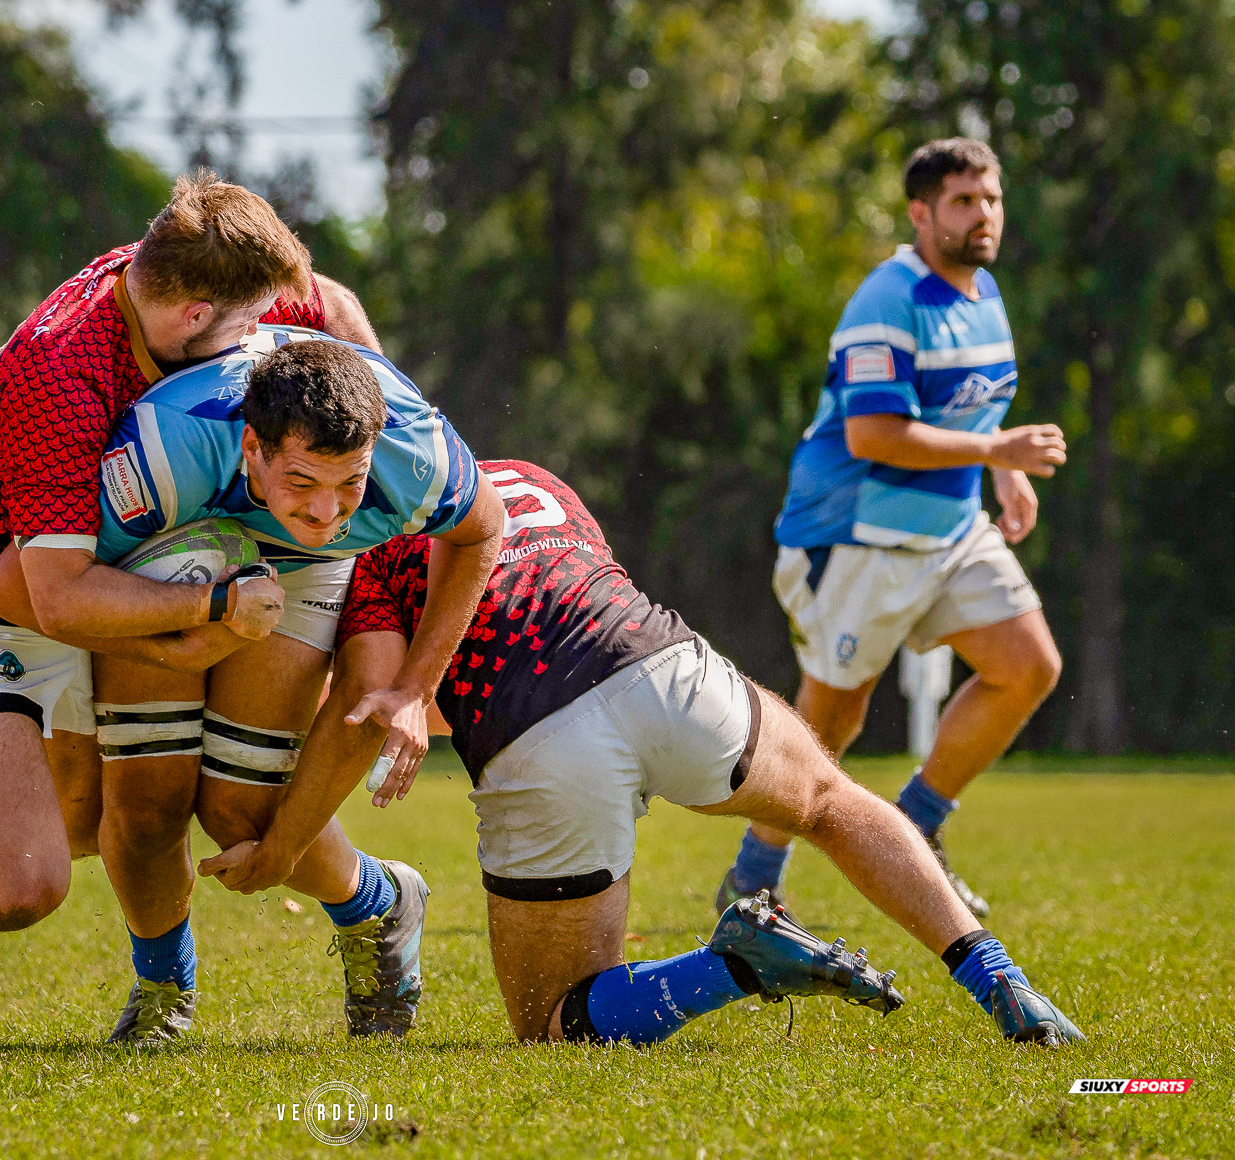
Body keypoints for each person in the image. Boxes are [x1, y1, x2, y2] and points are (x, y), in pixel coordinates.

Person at [0, 174, 378, 1057]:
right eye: (247, 323)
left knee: (108, 825)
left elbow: (331, 305)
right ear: (190, 316)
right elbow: (50, 598)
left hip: (91, 587)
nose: (260, 341)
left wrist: (373, 389)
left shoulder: (171, 275)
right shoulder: (60, 374)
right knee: (24, 884)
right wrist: (213, 608)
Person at [200, 459, 1083, 1049]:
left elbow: (373, 710)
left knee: (552, 1022)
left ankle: (732, 963)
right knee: (828, 801)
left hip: (538, 736)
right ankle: (1001, 982)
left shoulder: (374, 542)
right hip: (661, 667)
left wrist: (281, 848)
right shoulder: (533, 479)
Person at [0, 333, 501, 1044]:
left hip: (301, 572)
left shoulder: (417, 457)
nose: (327, 513)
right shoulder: (167, 451)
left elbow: (484, 529)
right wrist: (199, 627)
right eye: (301, 482)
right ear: (252, 449)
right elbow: (17, 592)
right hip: (171, 541)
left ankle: (379, 904)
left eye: (349, 483)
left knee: (246, 814)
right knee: (144, 811)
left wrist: (417, 686)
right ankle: (164, 991)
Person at [715, 138, 1066, 920]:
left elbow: (978, 401)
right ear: (921, 212)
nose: (984, 217)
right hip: (854, 539)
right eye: (965, 202)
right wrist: (998, 451)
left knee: (1029, 665)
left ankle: (920, 825)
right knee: (832, 718)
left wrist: (1000, 468)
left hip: (948, 531)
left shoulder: (983, 293)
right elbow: (874, 434)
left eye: (993, 199)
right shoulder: (888, 299)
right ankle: (752, 874)